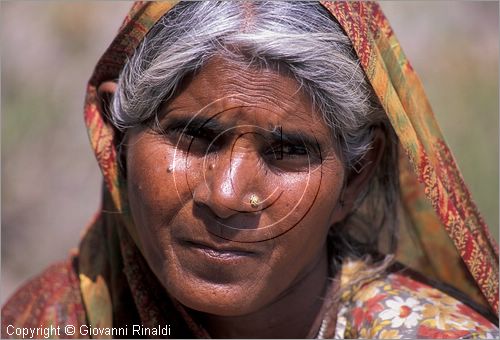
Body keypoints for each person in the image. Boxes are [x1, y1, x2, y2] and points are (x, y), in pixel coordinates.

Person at [2, 1, 499, 338]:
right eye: (193, 137)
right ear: (118, 136)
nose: (226, 193)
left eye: (286, 151)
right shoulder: (48, 321)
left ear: (355, 177)